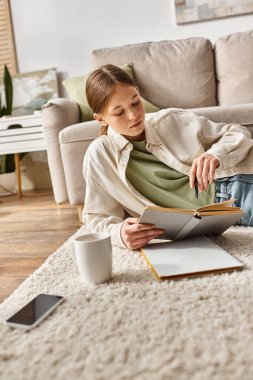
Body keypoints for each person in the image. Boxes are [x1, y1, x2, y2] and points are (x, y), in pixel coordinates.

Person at [82, 64, 253, 250]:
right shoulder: (100, 155)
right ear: (100, 119)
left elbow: (238, 133)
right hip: (215, 218)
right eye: (119, 112)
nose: (133, 115)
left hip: (238, 183)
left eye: (135, 102)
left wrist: (215, 154)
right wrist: (118, 233)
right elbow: (96, 215)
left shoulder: (170, 120)